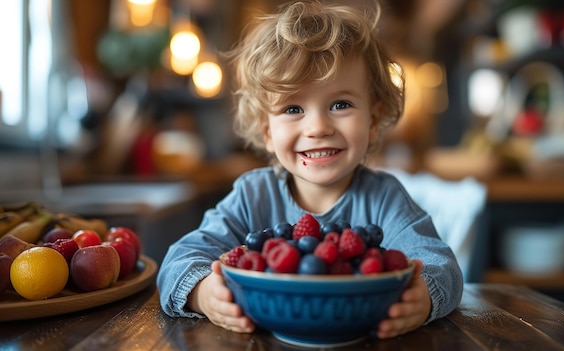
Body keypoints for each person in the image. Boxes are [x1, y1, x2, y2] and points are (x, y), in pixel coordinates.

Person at [157, 0, 463, 339]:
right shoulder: (251, 195)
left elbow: (441, 265)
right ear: (267, 132)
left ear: (373, 121)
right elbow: (178, 260)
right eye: (293, 108)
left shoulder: (384, 197)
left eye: (340, 104)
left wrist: (424, 299)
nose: (317, 127)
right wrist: (202, 293)